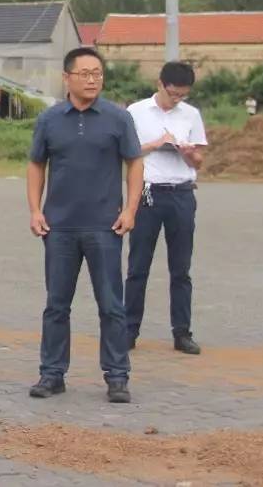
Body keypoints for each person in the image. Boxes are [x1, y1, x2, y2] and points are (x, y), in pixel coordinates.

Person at [27, 47, 143, 403]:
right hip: (59, 227)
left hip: (105, 227)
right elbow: (36, 165)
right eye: (85, 73)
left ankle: (117, 376)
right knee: (57, 305)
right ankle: (52, 374)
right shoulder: (49, 120)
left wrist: (131, 210)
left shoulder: (117, 118)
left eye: (97, 73)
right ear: (67, 78)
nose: (92, 79)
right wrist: (35, 210)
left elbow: (135, 163)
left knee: (111, 305)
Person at [125, 61, 208, 355]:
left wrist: (188, 153)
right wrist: (157, 143)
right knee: (138, 267)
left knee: (181, 268)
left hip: (181, 193)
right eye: (173, 94)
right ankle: (129, 329)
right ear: (160, 84)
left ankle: (182, 332)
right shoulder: (135, 112)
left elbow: (200, 160)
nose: (177, 100)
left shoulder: (191, 115)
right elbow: (127, 152)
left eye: (183, 96)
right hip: (147, 193)